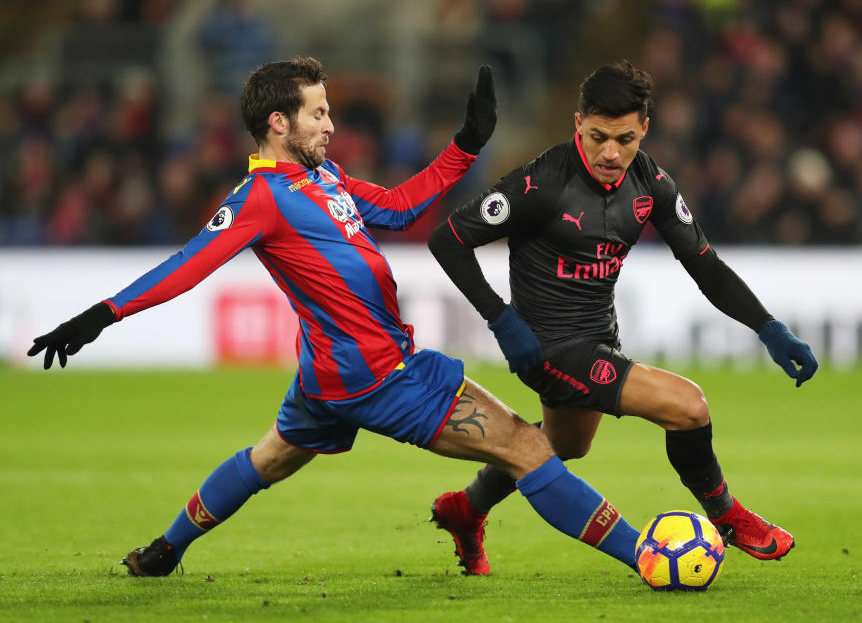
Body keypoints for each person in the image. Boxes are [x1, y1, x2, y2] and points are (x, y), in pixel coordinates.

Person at [28, 57, 651, 578]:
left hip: (327, 374)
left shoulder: (325, 177)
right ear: (279, 121)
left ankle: (166, 550)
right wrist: (103, 313)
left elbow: (403, 207)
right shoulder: (258, 199)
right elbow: (189, 264)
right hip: (380, 374)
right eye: (318, 112)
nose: (330, 124)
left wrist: (467, 145)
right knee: (527, 446)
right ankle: (649, 557)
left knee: (267, 459)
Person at [427, 60, 819, 575]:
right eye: (598, 137)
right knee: (688, 406)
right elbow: (448, 239)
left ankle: (468, 507)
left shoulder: (651, 183)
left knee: (565, 445)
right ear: (578, 124)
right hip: (545, 345)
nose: (611, 152)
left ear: (644, 130)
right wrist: (502, 320)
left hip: (598, 336)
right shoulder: (541, 181)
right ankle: (727, 518)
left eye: (625, 139)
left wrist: (769, 328)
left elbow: (706, 267)